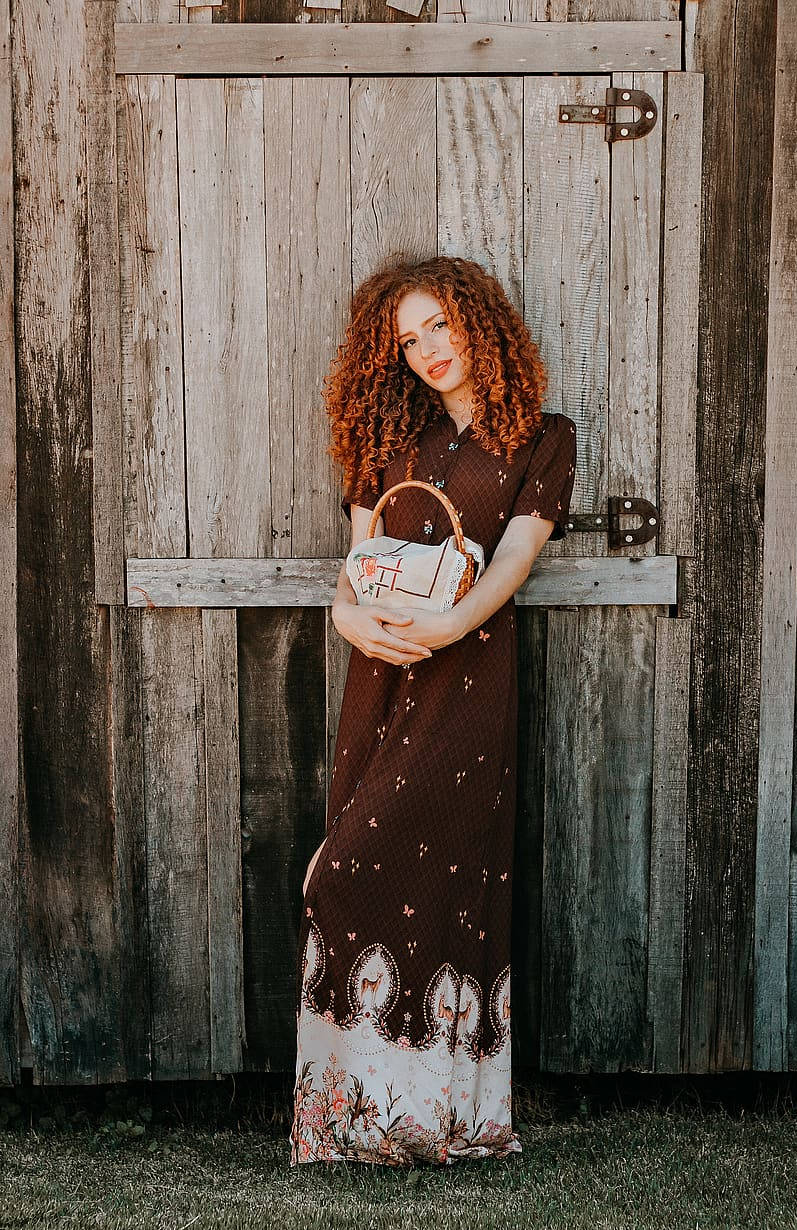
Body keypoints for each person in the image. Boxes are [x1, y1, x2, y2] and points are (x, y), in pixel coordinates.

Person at [289, 253, 576, 1167]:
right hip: (379, 676)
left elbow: (516, 560)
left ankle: (440, 1114)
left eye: (441, 328)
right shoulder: (388, 438)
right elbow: (354, 563)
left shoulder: (543, 438)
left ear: (478, 323)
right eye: (409, 340)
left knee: (441, 876)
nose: (428, 351)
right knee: (349, 868)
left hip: (469, 680)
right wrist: (347, 621)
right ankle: (351, 1117)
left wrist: (451, 622)